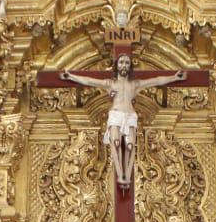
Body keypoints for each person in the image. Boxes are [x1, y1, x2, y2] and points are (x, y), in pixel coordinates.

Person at [59, 54, 184, 189]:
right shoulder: (110, 84)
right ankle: (120, 175)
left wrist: (174, 77)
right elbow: (89, 81)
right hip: (116, 114)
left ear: (129, 66)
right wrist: (71, 76)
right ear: (117, 65)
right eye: (121, 62)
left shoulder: (135, 85)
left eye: (126, 63)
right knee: (116, 142)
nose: (124, 65)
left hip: (130, 115)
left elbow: (156, 80)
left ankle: (127, 175)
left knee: (130, 146)